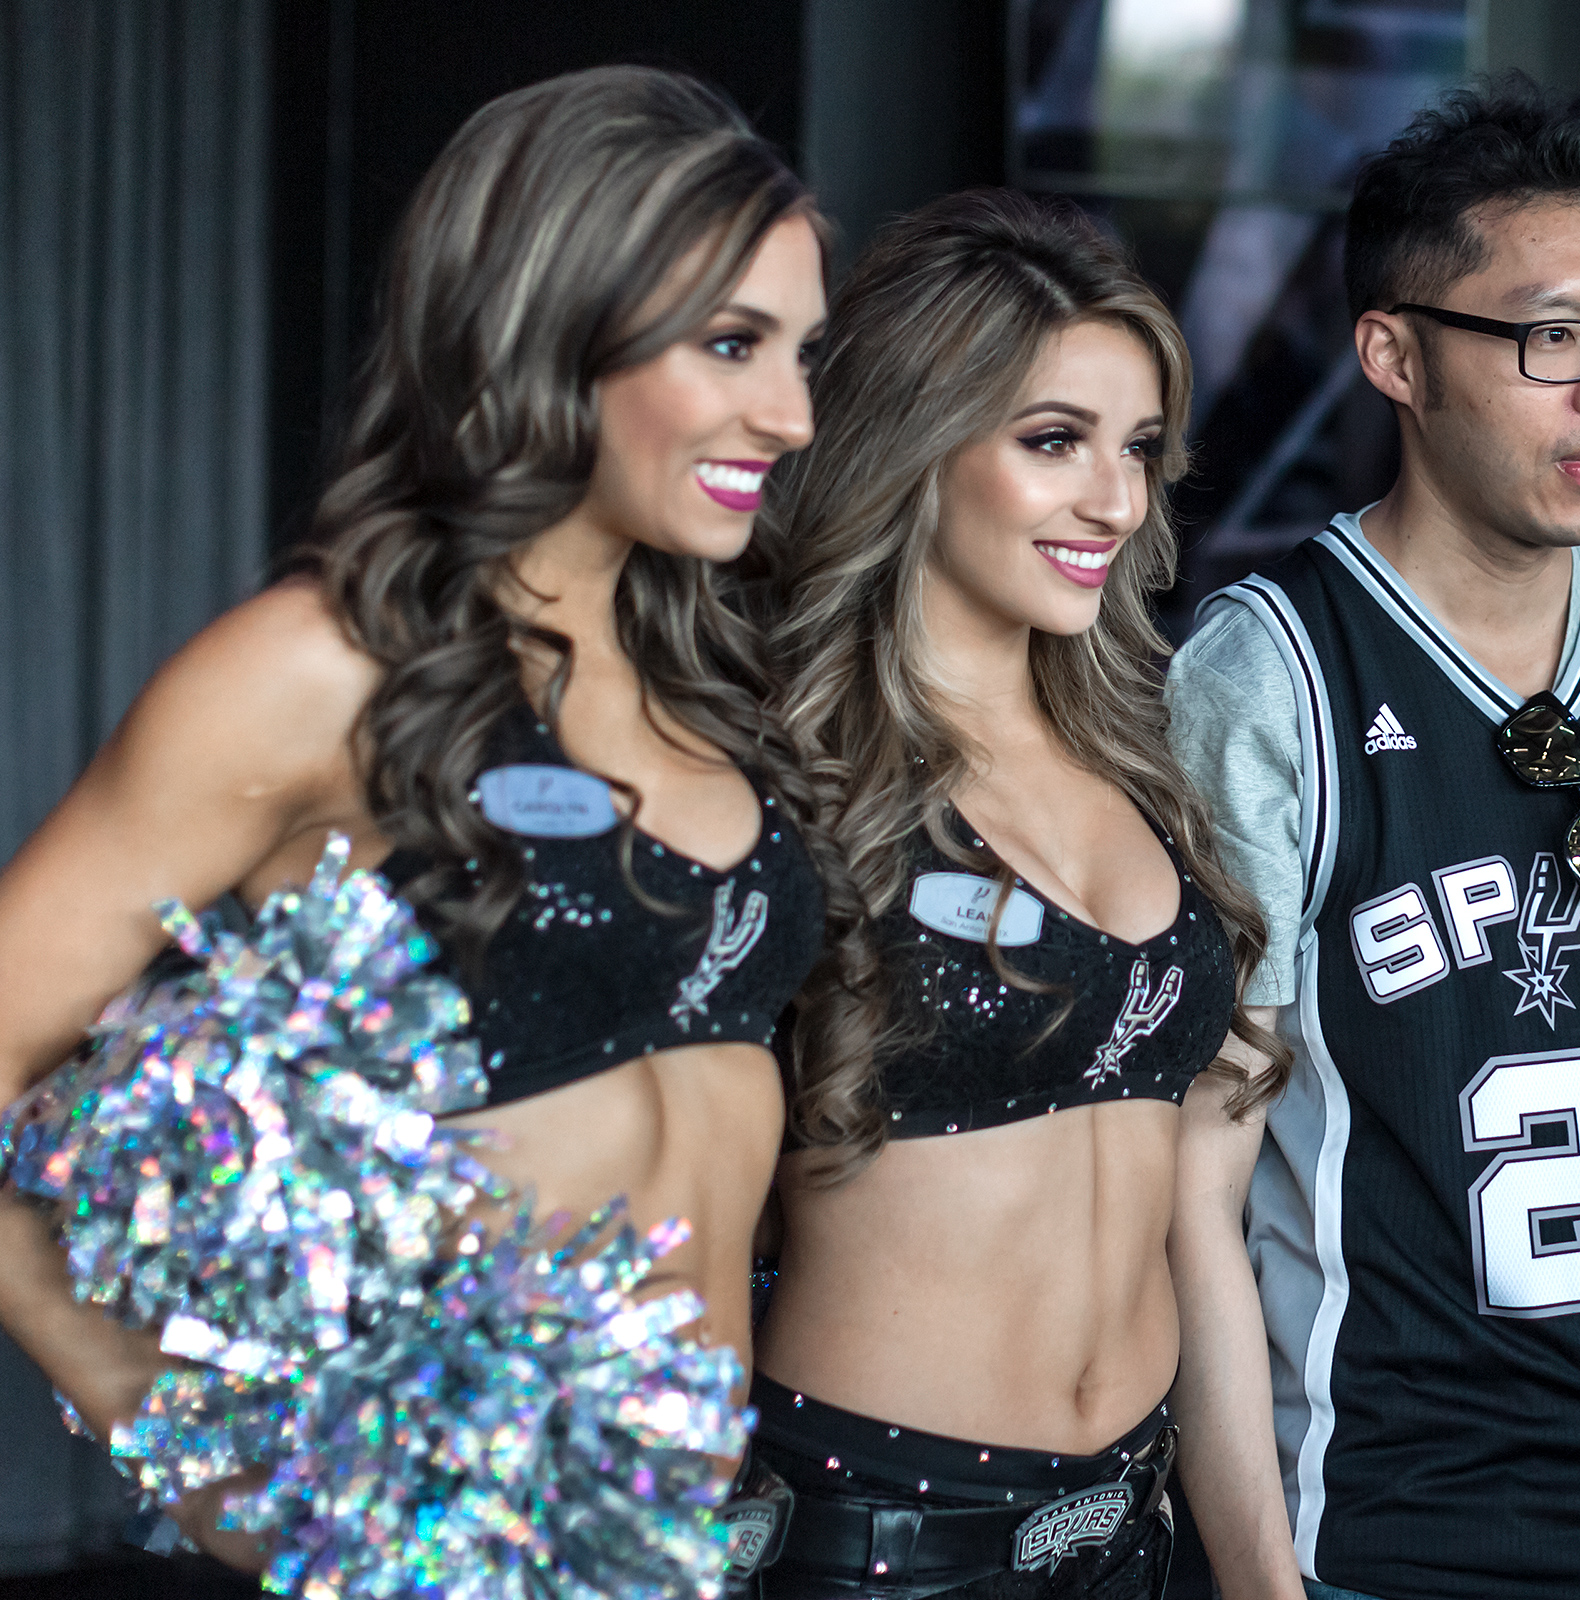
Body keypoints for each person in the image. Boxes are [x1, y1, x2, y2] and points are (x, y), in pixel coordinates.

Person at [0, 66, 838, 1576]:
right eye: (731, 344)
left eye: (800, 351)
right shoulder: (320, 668)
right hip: (449, 1554)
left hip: (703, 1539)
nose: (788, 414)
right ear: (551, 322)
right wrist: (202, 1454)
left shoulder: (715, 671)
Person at [1164, 79, 1580, 1600]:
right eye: (1552, 339)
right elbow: (1200, 1173)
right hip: (1402, 1541)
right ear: (1396, 356)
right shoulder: (1271, 671)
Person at [747, 189, 1286, 1599]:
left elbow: (1197, 1217)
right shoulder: (786, 770)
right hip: (876, 1541)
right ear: (915, 441)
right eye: (1054, 441)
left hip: (1133, 1532)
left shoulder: (1145, 758)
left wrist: (1259, 1571)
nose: (1116, 500)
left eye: (1139, 448)